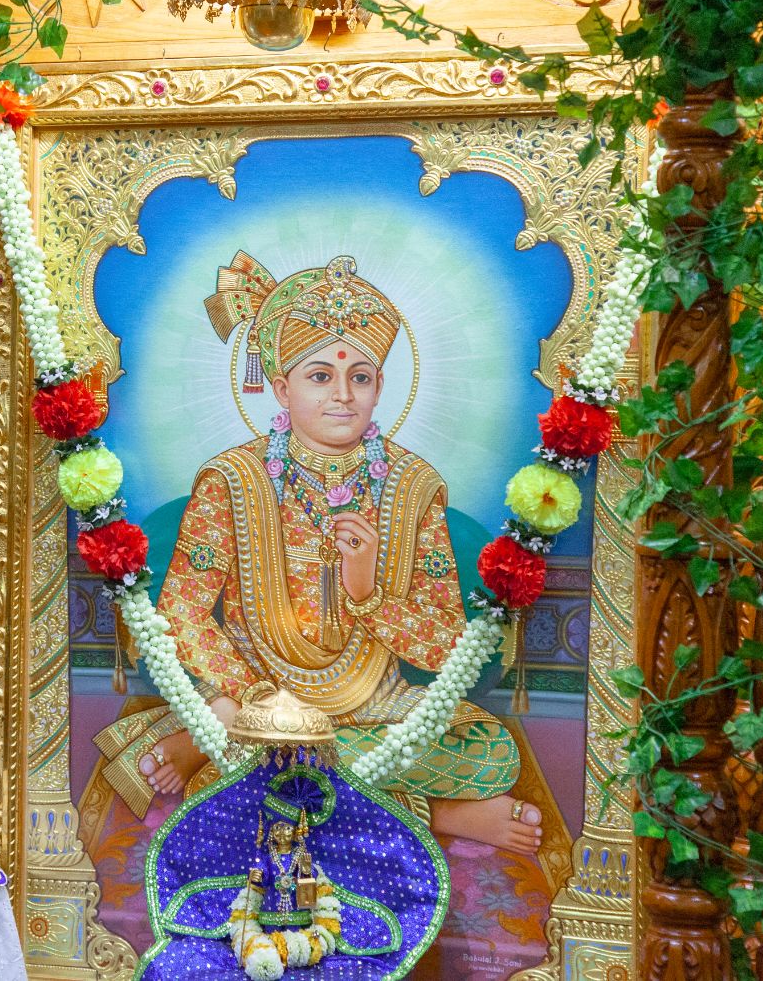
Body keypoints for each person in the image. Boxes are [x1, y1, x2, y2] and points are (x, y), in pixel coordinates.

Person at [101, 254, 542, 854]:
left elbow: (444, 646)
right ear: (282, 388)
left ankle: (225, 753)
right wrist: (246, 699)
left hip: (377, 709)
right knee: (253, 749)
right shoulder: (232, 481)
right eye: (319, 376)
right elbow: (182, 612)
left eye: (360, 377)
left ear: (379, 388)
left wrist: (368, 594)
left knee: (494, 755)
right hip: (260, 705)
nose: (342, 395)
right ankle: (439, 813)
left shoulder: (414, 488)